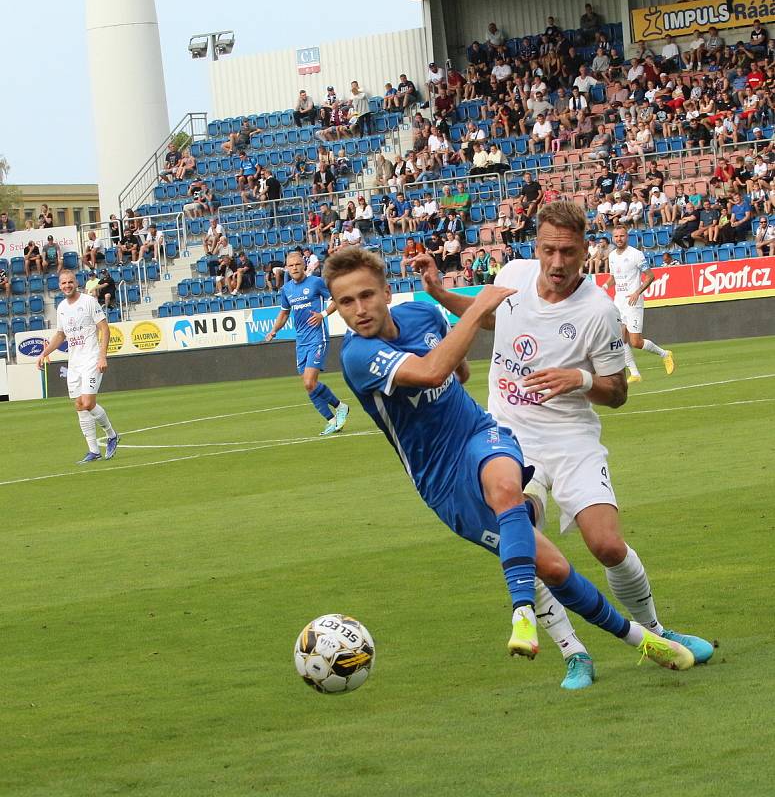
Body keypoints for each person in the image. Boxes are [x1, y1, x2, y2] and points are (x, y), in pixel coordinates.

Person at [325, 245, 697, 672]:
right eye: (346, 302)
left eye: (367, 295)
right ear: (337, 308)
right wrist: (475, 309)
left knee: (507, 490)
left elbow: (458, 370)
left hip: (477, 431)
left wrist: (452, 340)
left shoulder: (422, 316)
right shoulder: (357, 356)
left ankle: (521, 611)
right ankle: (638, 639)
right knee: (555, 568)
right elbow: (432, 372)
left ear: (387, 292)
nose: (359, 309)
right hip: (443, 481)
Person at [413, 202, 712, 689]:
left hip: (572, 440)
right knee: (524, 542)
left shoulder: (599, 311)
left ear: (584, 252)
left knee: (607, 545)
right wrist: (438, 292)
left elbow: (616, 394)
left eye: (568, 253)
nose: (556, 263)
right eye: (548, 250)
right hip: (508, 436)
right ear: (536, 247)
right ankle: (575, 654)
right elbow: (486, 319)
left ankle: (657, 632)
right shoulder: (512, 274)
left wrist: (578, 378)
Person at [35, 270, 120, 463]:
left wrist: (102, 356)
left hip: (91, 359)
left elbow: (105, 329)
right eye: (64, 283)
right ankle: (93, 451)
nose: (67, 285)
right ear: (60, 285)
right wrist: (43, 354)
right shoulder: (62, 307)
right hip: (74, 363)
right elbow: (60, 335)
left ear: (76, 283)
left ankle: (112, 434)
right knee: (80, 406)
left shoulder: (88, 302)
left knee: (88, 403)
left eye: (70, 282)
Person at [264, 252, 349, 436]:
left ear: (304, 265)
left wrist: (323, 315)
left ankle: (341, 407)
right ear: (286, 268)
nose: (294, 268)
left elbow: (336, 299)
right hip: (301, 341)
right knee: (308, 384)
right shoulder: (286, 290)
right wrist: (274, 330)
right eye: (291, 265)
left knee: (310, 381)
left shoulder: (316, 283)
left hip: (318, 337)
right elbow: (284, 313)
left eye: (297, 264)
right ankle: (332, 420)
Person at [605, 226, 674, 383]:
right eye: (616, 236)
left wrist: (637, 292)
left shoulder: (636, 254)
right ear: (613, 238)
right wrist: (603, 288)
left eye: (621, 236)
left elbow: (650, 276)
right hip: (619, 302)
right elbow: (613, 278)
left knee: (636, 342)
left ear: (627, 237)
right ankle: (635, 373)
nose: (619, 239)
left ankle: (665, 354)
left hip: (633, 301)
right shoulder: (612, 256)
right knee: (620, 338)